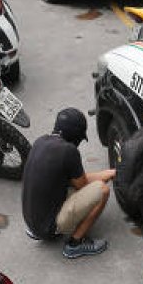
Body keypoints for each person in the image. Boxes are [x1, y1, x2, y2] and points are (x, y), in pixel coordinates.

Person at [22, 108, 116, 259]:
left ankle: (40, 228)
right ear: (75, 135)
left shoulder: (40, 142)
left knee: (76, 184)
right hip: (48, 228)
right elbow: (83, 186)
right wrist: (108, 176)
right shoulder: (68, 151)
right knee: (102, 190)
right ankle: (74, 244)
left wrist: (111, 173)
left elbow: (80, 180)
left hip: (32, 222)